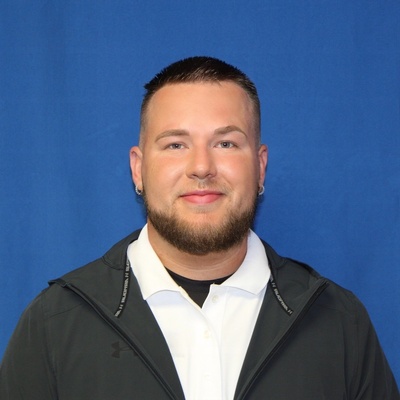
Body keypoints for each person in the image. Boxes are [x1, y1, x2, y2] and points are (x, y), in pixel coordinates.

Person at [0, 56, 398, 400]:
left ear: (260, 167)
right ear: (138, 169)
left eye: (226, 143)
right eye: (175, 144)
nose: (202, 167)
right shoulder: (54, 324)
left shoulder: (339, 323)